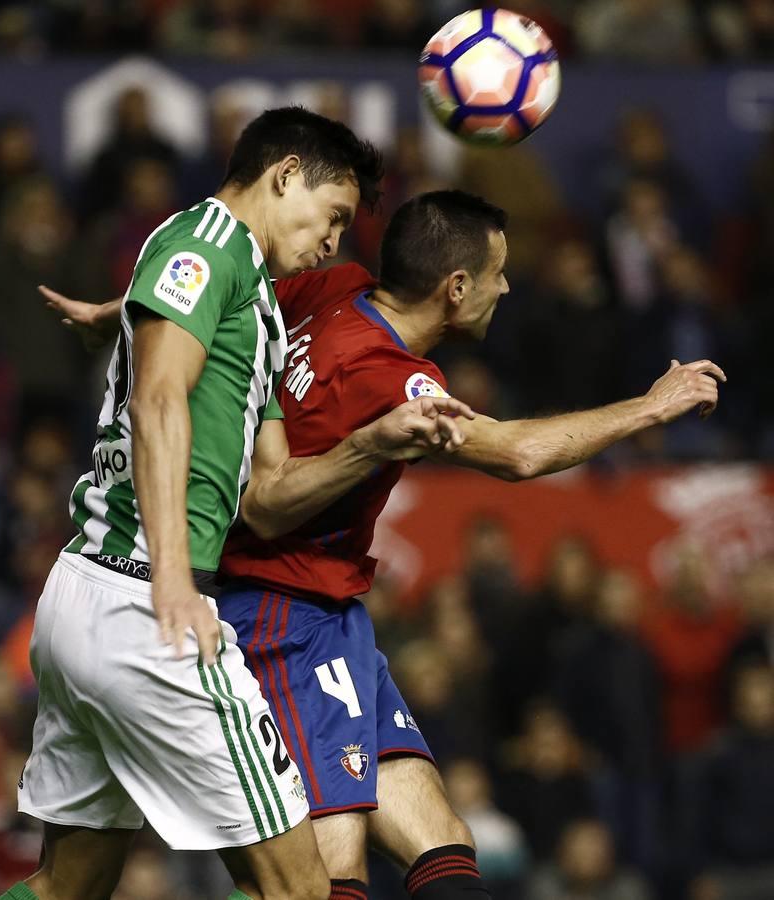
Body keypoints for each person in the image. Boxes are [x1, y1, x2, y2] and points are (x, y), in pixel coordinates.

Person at [46, 189, 725, 899]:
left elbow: (224, 304)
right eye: (496, 273)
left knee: (444, 844)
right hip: (280, 613)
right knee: (328, 877)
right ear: (455, 289)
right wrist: (650, 407)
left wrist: (125, 310)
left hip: (332, 615)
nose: (506, 286)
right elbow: (518, 453)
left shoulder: (335, 286)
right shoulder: (398, 384)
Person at [7, 109, 473, 900]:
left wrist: (123, 316)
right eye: (331, 216)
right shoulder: (205, 243)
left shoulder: (250, 297)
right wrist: (174, 580)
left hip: (82, 598)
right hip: (149, 604)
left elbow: (266, 486)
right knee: (301, 888)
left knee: (66, 884)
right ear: (284, 174)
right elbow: (159, 404)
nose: (333, 242)